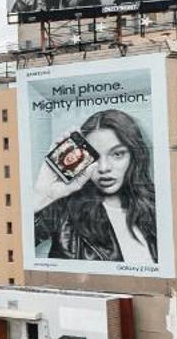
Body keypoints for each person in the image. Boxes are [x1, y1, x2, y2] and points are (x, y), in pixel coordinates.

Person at [31, 108, 159, 267]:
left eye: (117, 154)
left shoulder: (158, 207)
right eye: (94, 156)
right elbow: (8, 246)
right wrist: (41, 194)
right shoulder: (64, 210)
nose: (104, 168)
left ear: (135, 156)